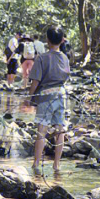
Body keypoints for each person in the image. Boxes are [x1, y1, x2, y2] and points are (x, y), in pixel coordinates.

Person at [28, 26, 71, 179]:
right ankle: (57, 164)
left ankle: (36, 163)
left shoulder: (41, 58)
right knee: (60, 129)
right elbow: (66, 77)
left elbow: (35, 81)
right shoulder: (65, 58)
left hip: (46, 94)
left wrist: (30, 96)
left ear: (47, 40)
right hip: (61, 94)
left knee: (42, 129)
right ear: (61, 40)